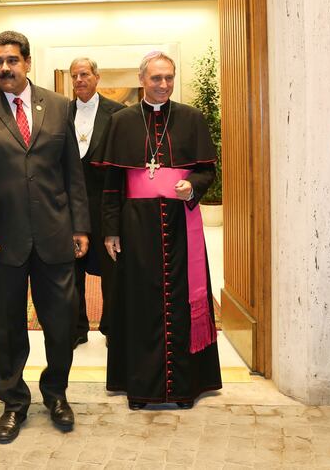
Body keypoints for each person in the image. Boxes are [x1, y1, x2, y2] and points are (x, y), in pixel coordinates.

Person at [0, 30, 90, 443]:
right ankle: (13, 402)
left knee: (61, 324)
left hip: (55, 234)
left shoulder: (59, 106)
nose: (4, 68)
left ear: (27, 62)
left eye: (12, 60)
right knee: (7, 328)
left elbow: (73, 173)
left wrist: (80, 226)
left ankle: (56, 394)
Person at [96, 51, 222, 409]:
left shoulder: (191, 118)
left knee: (181, 301)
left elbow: (207, 170)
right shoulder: (121, 121)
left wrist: (192, 186)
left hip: (181, 224)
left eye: (169, 77)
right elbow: (111, 183)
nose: (164, 84)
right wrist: (111, 230)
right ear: (142, 80)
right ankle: (141, 388)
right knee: (138, 304)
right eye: (156, 78)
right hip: (136, 226)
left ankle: (184, 388)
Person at [68, 57, 125, 348]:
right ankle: (76, 327)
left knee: (111, 268)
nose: (79, 80)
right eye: (74, 76)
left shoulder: (118, 114)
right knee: (71, 269)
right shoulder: (60, 112)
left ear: (97, 77)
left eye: (84, 74)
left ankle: (112, 326)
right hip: (69, 205)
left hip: (105, 203)